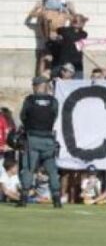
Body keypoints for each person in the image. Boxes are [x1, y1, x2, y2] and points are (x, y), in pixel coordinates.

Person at [16, 76, 61, 208]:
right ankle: (57, 199)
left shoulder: (30, 100)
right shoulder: (53, 101)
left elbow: (23, 116)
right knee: (52, 170)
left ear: (37, 86)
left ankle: (23, 198)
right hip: (48, 139)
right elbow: (54, 116)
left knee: (29, 169)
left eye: (34, 85)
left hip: (33, 138)